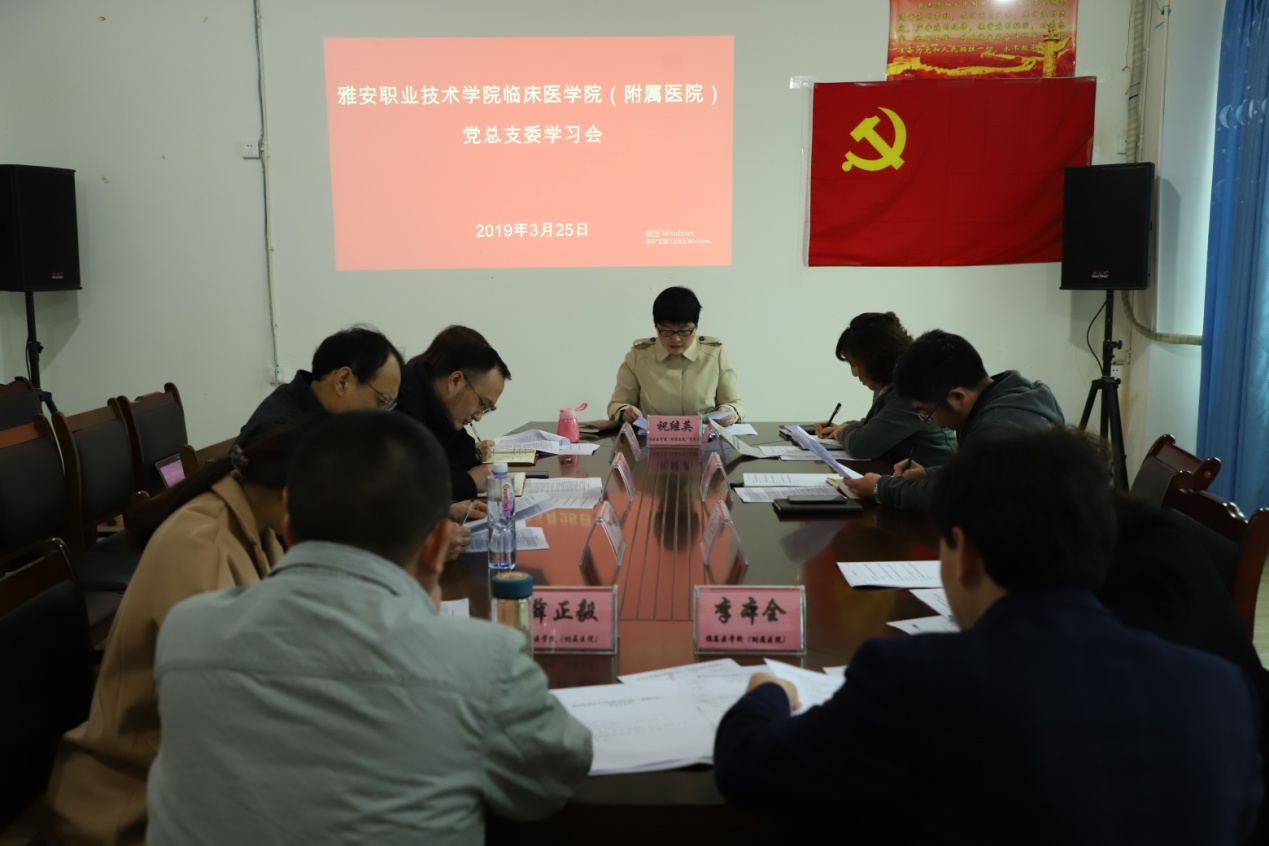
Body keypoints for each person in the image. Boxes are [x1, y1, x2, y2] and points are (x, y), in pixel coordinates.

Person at [714, 429, 1262, 844]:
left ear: (966, 554)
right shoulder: (1221, 690)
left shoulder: (914, 678)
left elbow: (749, 765)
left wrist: (767, 692)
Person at [145, 412, 593, 845]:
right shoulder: (485, 661)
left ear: (290, 532)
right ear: (438, 545)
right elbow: (549, 783)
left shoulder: (187, 629)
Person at [44, 416, 323, 846]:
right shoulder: (201, 545)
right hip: (134, 800)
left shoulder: (256, 524)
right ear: (291, 494)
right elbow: (225, 714)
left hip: (188, 773)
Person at [841, 329, 1063, 511]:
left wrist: (881, 487)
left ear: (957, 397)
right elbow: (979, 475)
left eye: (927, 412)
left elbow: (962, 497)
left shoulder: (999, 428)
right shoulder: (1012, 398)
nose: (932, 422)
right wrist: (929, 473)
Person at [814, 312, 955, 466]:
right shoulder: (888, 383)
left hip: (936, 477)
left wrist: (843, 431)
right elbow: (879, 423)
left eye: (854, 365)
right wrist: (845, 427)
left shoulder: (909, 392)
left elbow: (861, 447)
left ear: (876, 360)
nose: (854, 373)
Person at [235, 325, 403, 449]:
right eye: (381, 401)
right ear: (342, 381)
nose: (382, 416)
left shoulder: (325, 415)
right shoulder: (280, 435)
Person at [607, 286, 743, 425]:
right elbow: (616, 405)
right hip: (652, 436)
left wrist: (729, 411)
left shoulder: (714, 354)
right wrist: (625, 411)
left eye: (684, 331)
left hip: (704, 436)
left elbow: (734, 403)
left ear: (695, 326)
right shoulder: (638, 356)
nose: (675, 339)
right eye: (667, 332)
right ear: (656, 327)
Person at [396, 339, 511, 501]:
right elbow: (407, 484)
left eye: (486, 409)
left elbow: (466, 453)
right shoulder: (404, 406)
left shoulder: (441, 409)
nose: (478, 416)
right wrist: (469, 482)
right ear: (455, 381)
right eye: (482, 403)